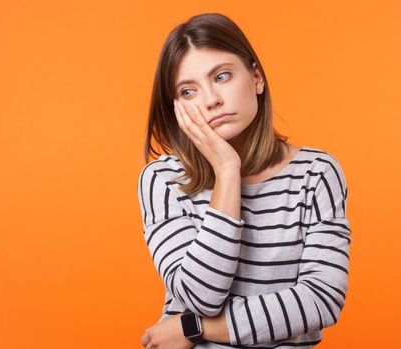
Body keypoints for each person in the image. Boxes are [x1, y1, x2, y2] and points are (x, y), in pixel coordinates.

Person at [137, 12, 352, 349]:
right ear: (177, 107)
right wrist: (226, 170)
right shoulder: (164, 180)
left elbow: (321, 299)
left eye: (221, 76)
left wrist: (194, 329)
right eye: (189, 91)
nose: (211, 100)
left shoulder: (317, 173)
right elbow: (200, 297)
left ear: (256, 77)